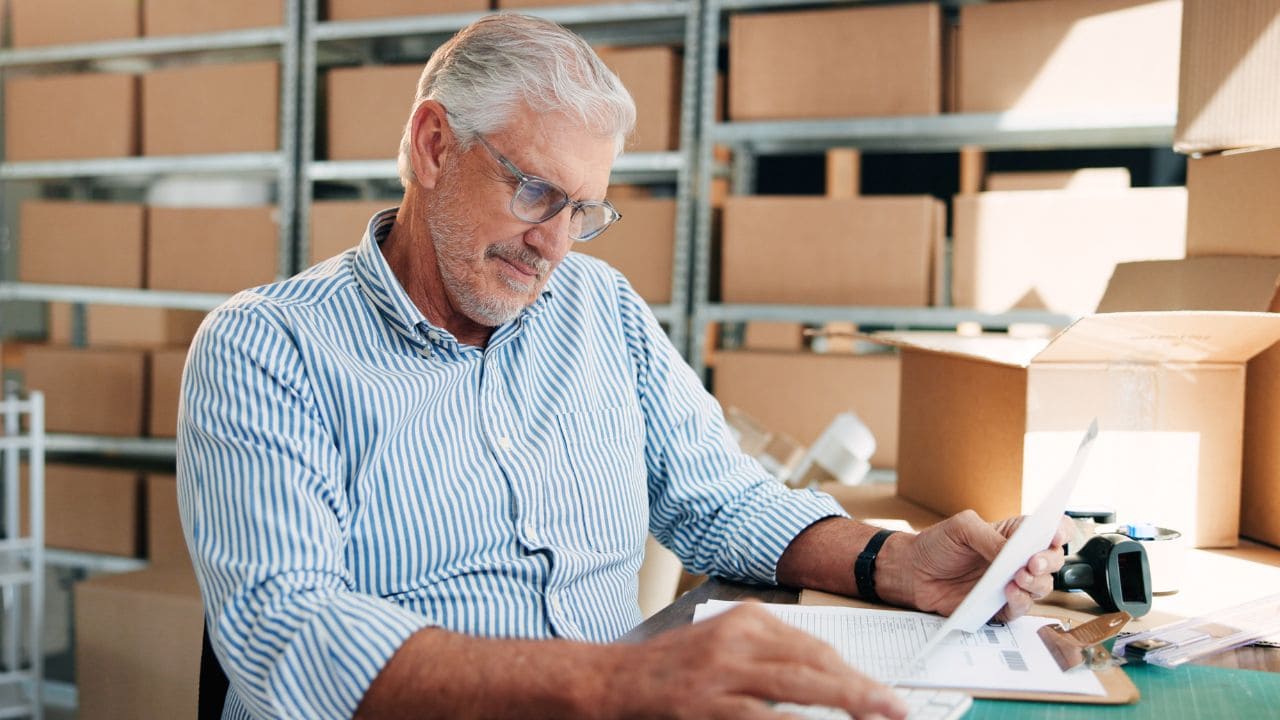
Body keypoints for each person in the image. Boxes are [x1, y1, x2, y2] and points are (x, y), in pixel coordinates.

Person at [177, 13, 1068, 720]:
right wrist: (611, 685)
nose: (554, 246)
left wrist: (894, 561)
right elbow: (288, 634)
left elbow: (724, 502)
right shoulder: (267, 349)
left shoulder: (600, 311)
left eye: (585, 212)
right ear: (434, 145)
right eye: (536, 193)